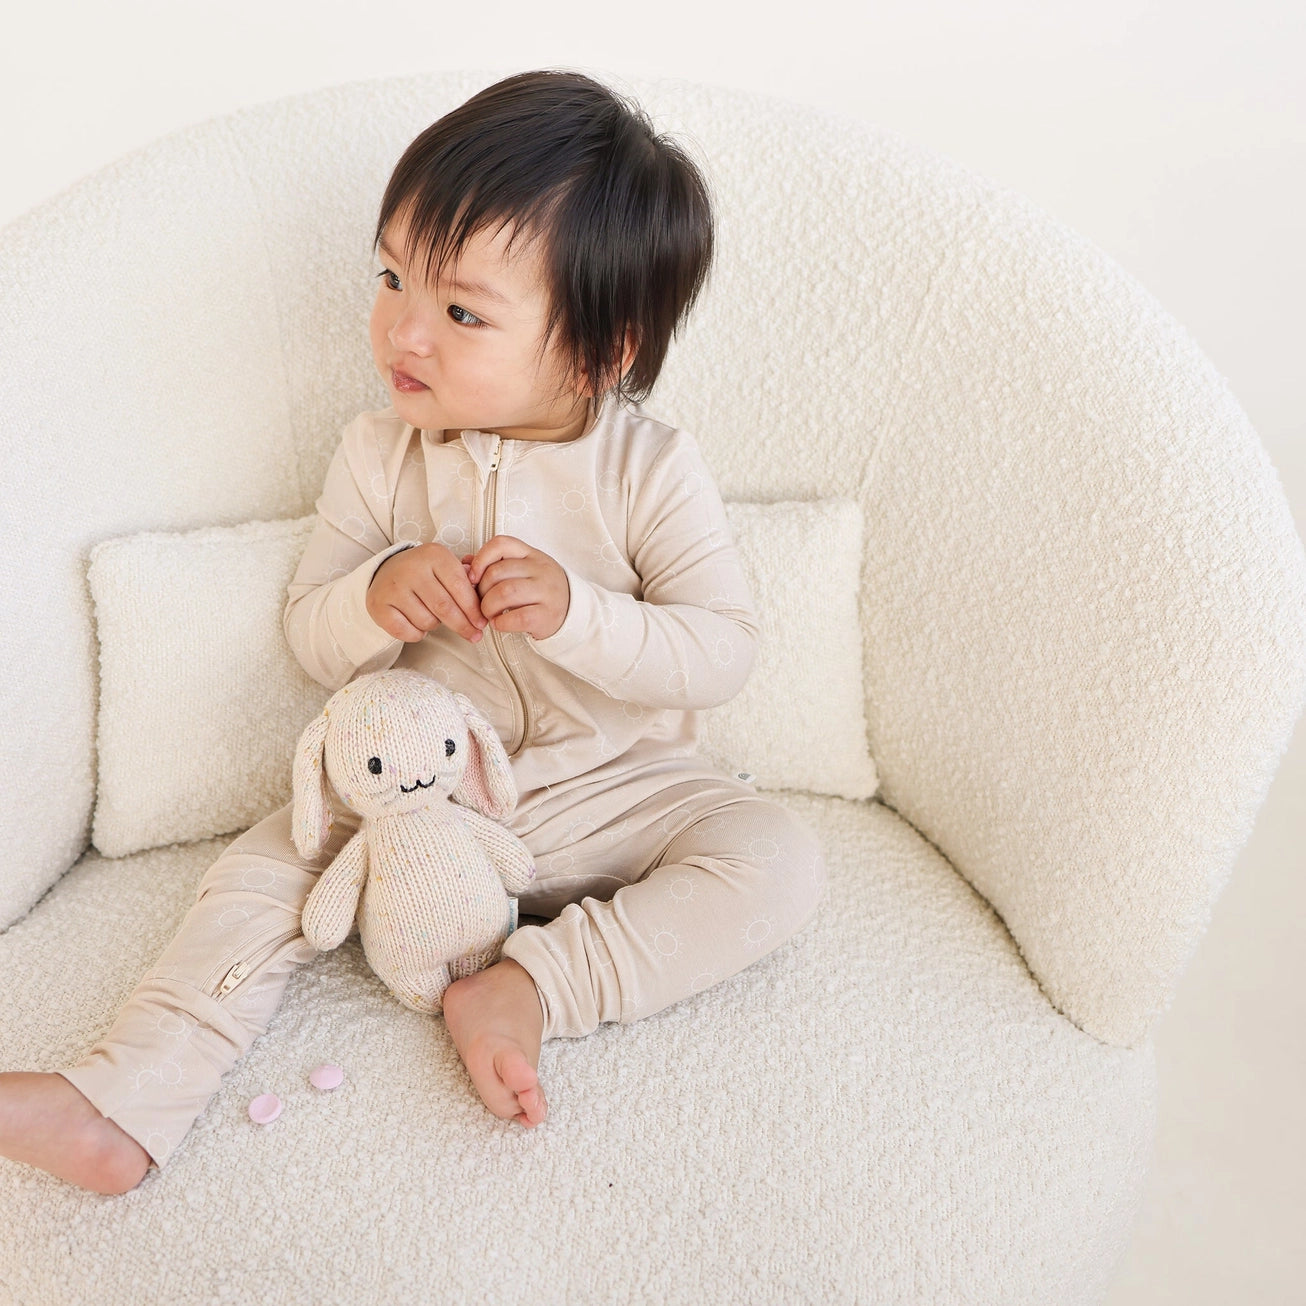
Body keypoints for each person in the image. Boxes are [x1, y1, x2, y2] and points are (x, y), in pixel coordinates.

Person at [0, 69, 825, 1195]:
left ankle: (530, 987)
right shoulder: (378, 456)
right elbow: (310, 635)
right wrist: (375, 596)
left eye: (462, 313)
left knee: (776, 858)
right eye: (391, 278)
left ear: (600, 352)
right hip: (425, 795)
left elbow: (721, 650)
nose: (402, 330)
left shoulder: (648, 469)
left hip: (615, 784)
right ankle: (124, 1101)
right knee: (265, 865)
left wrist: (579, 613)